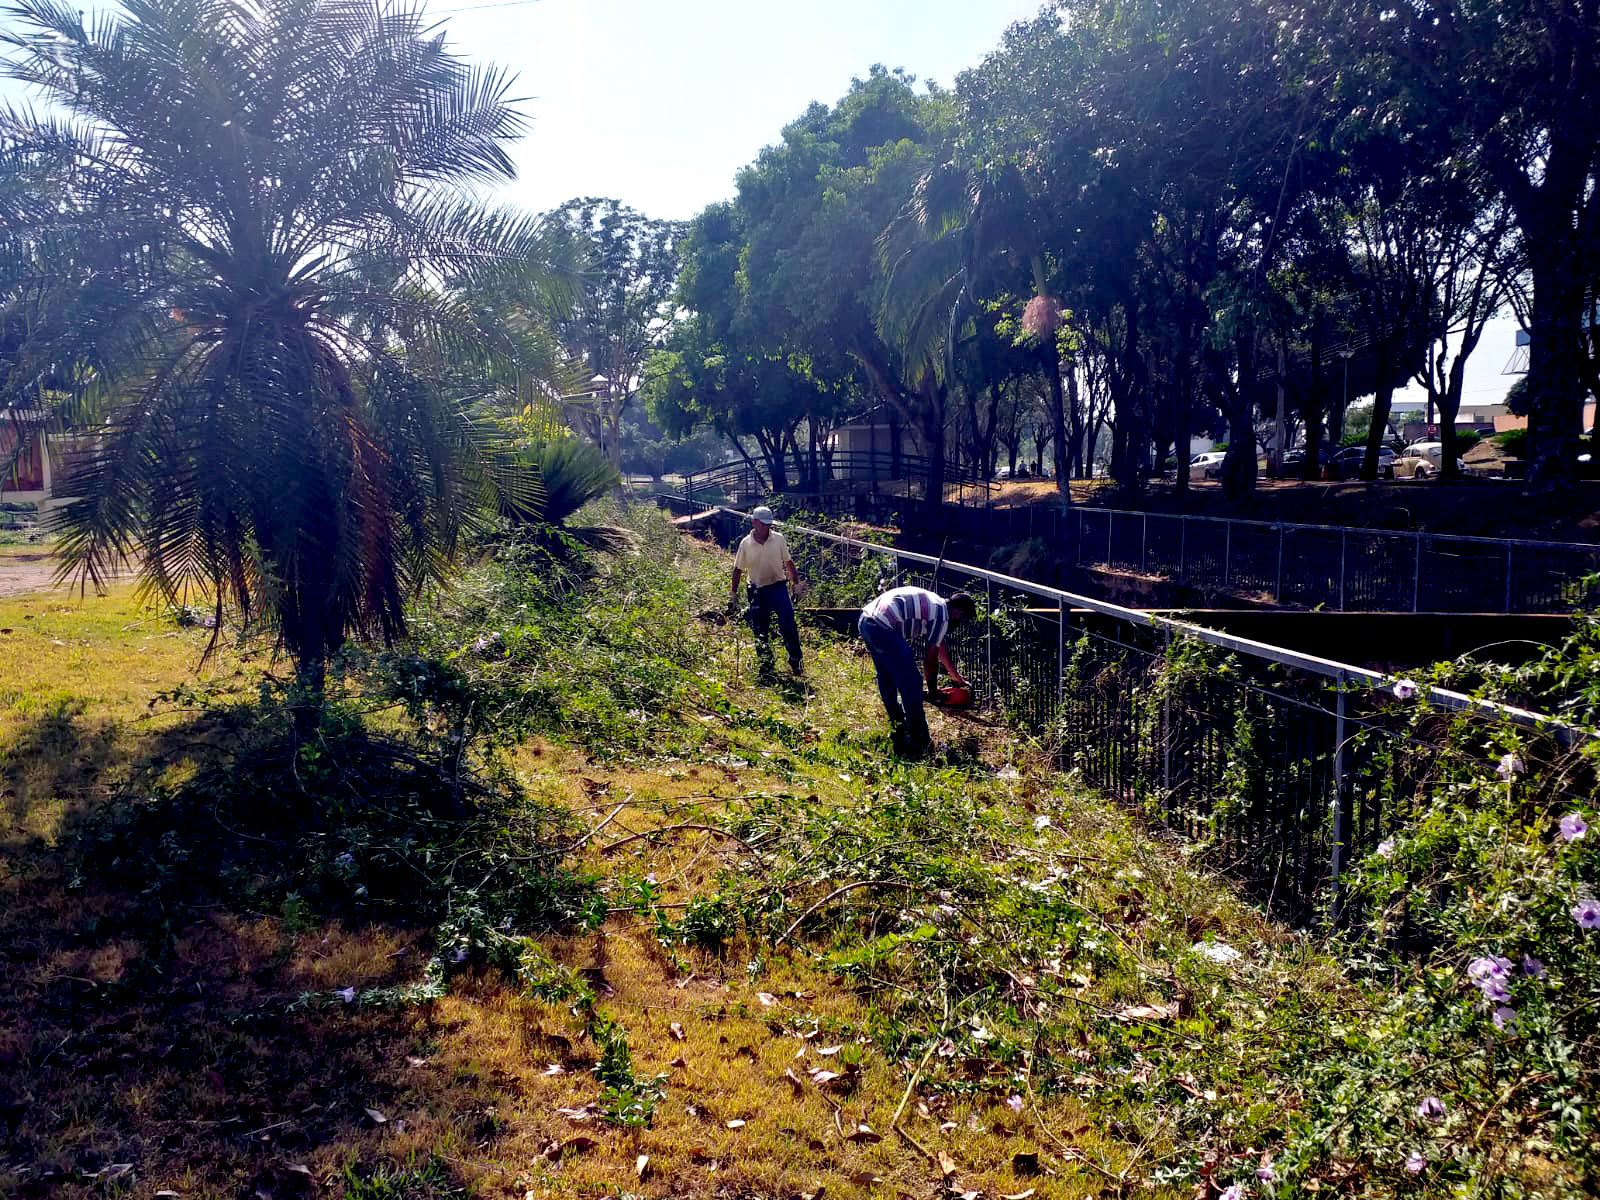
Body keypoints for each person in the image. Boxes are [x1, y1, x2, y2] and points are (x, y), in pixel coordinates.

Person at [857, 586, 974, 757]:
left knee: (887, 676)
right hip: (883, 626)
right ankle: (920, 739)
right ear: (958, 612)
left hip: (866, 621)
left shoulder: (936, 604)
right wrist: (933, 692)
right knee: (912, 682)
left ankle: (897, 724)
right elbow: (930, 660)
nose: (960, 623)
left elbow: (940, 646)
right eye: (963, 620)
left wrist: (955, 676)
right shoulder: (942, 615)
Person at [729, 505, 803, 680]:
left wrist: (796, 584)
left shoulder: (778, 539)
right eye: (763, 524)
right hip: (757, 591)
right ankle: (766, 667)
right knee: (760, 630)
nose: (767, 527)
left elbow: (788, 562)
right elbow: (737, 570)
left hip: (778, 587)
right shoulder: (746, 544)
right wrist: (732, 593)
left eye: (769, 524)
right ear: (754, 522)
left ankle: (796, 664)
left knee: (788, 625)